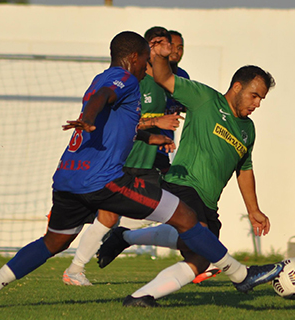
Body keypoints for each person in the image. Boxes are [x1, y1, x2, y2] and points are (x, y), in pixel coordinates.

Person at [0, 31, 283, 308]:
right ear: (132, 59)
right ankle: (242, 275)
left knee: (53, 242)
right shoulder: (126, 79)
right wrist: (89, 115)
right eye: (145, 61)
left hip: (67, 177)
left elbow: (113, 118)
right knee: (184, 216)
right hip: (102, 180)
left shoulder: (101, 77)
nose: (148, 68)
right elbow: (105, 97)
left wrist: (146, 133)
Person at [96, 35, 276, 306]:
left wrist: (253, 210)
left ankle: (139, 290)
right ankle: (242, 275)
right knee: (199, 235)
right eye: (254, 95)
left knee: (200, 259)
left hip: (208, 201)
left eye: (261, 99)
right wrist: (161, 56)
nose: (257, 104)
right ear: (237, 87)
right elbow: (164, 79)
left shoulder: (248, 130)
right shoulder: (205, 98)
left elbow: (245, 169)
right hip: (182, 184)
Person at [62, 26, 184, 287]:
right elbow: (125, 120)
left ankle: (115, 240)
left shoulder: (177, 80)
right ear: (148, 49)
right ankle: (76, 267)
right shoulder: (133, 79)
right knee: (113, 215)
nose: (173, 50)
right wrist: (155, 123)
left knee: (160, 210)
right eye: (165, 44)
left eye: (177, 47)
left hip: (151, 159)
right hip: (125, 157)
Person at [154, 29, 190, 173]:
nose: (176, 51)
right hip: (145, 146)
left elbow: (185, 104)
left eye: (180, 48)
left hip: (165, 148)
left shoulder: (183, 76)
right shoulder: (149, 76)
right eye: (172, 46)